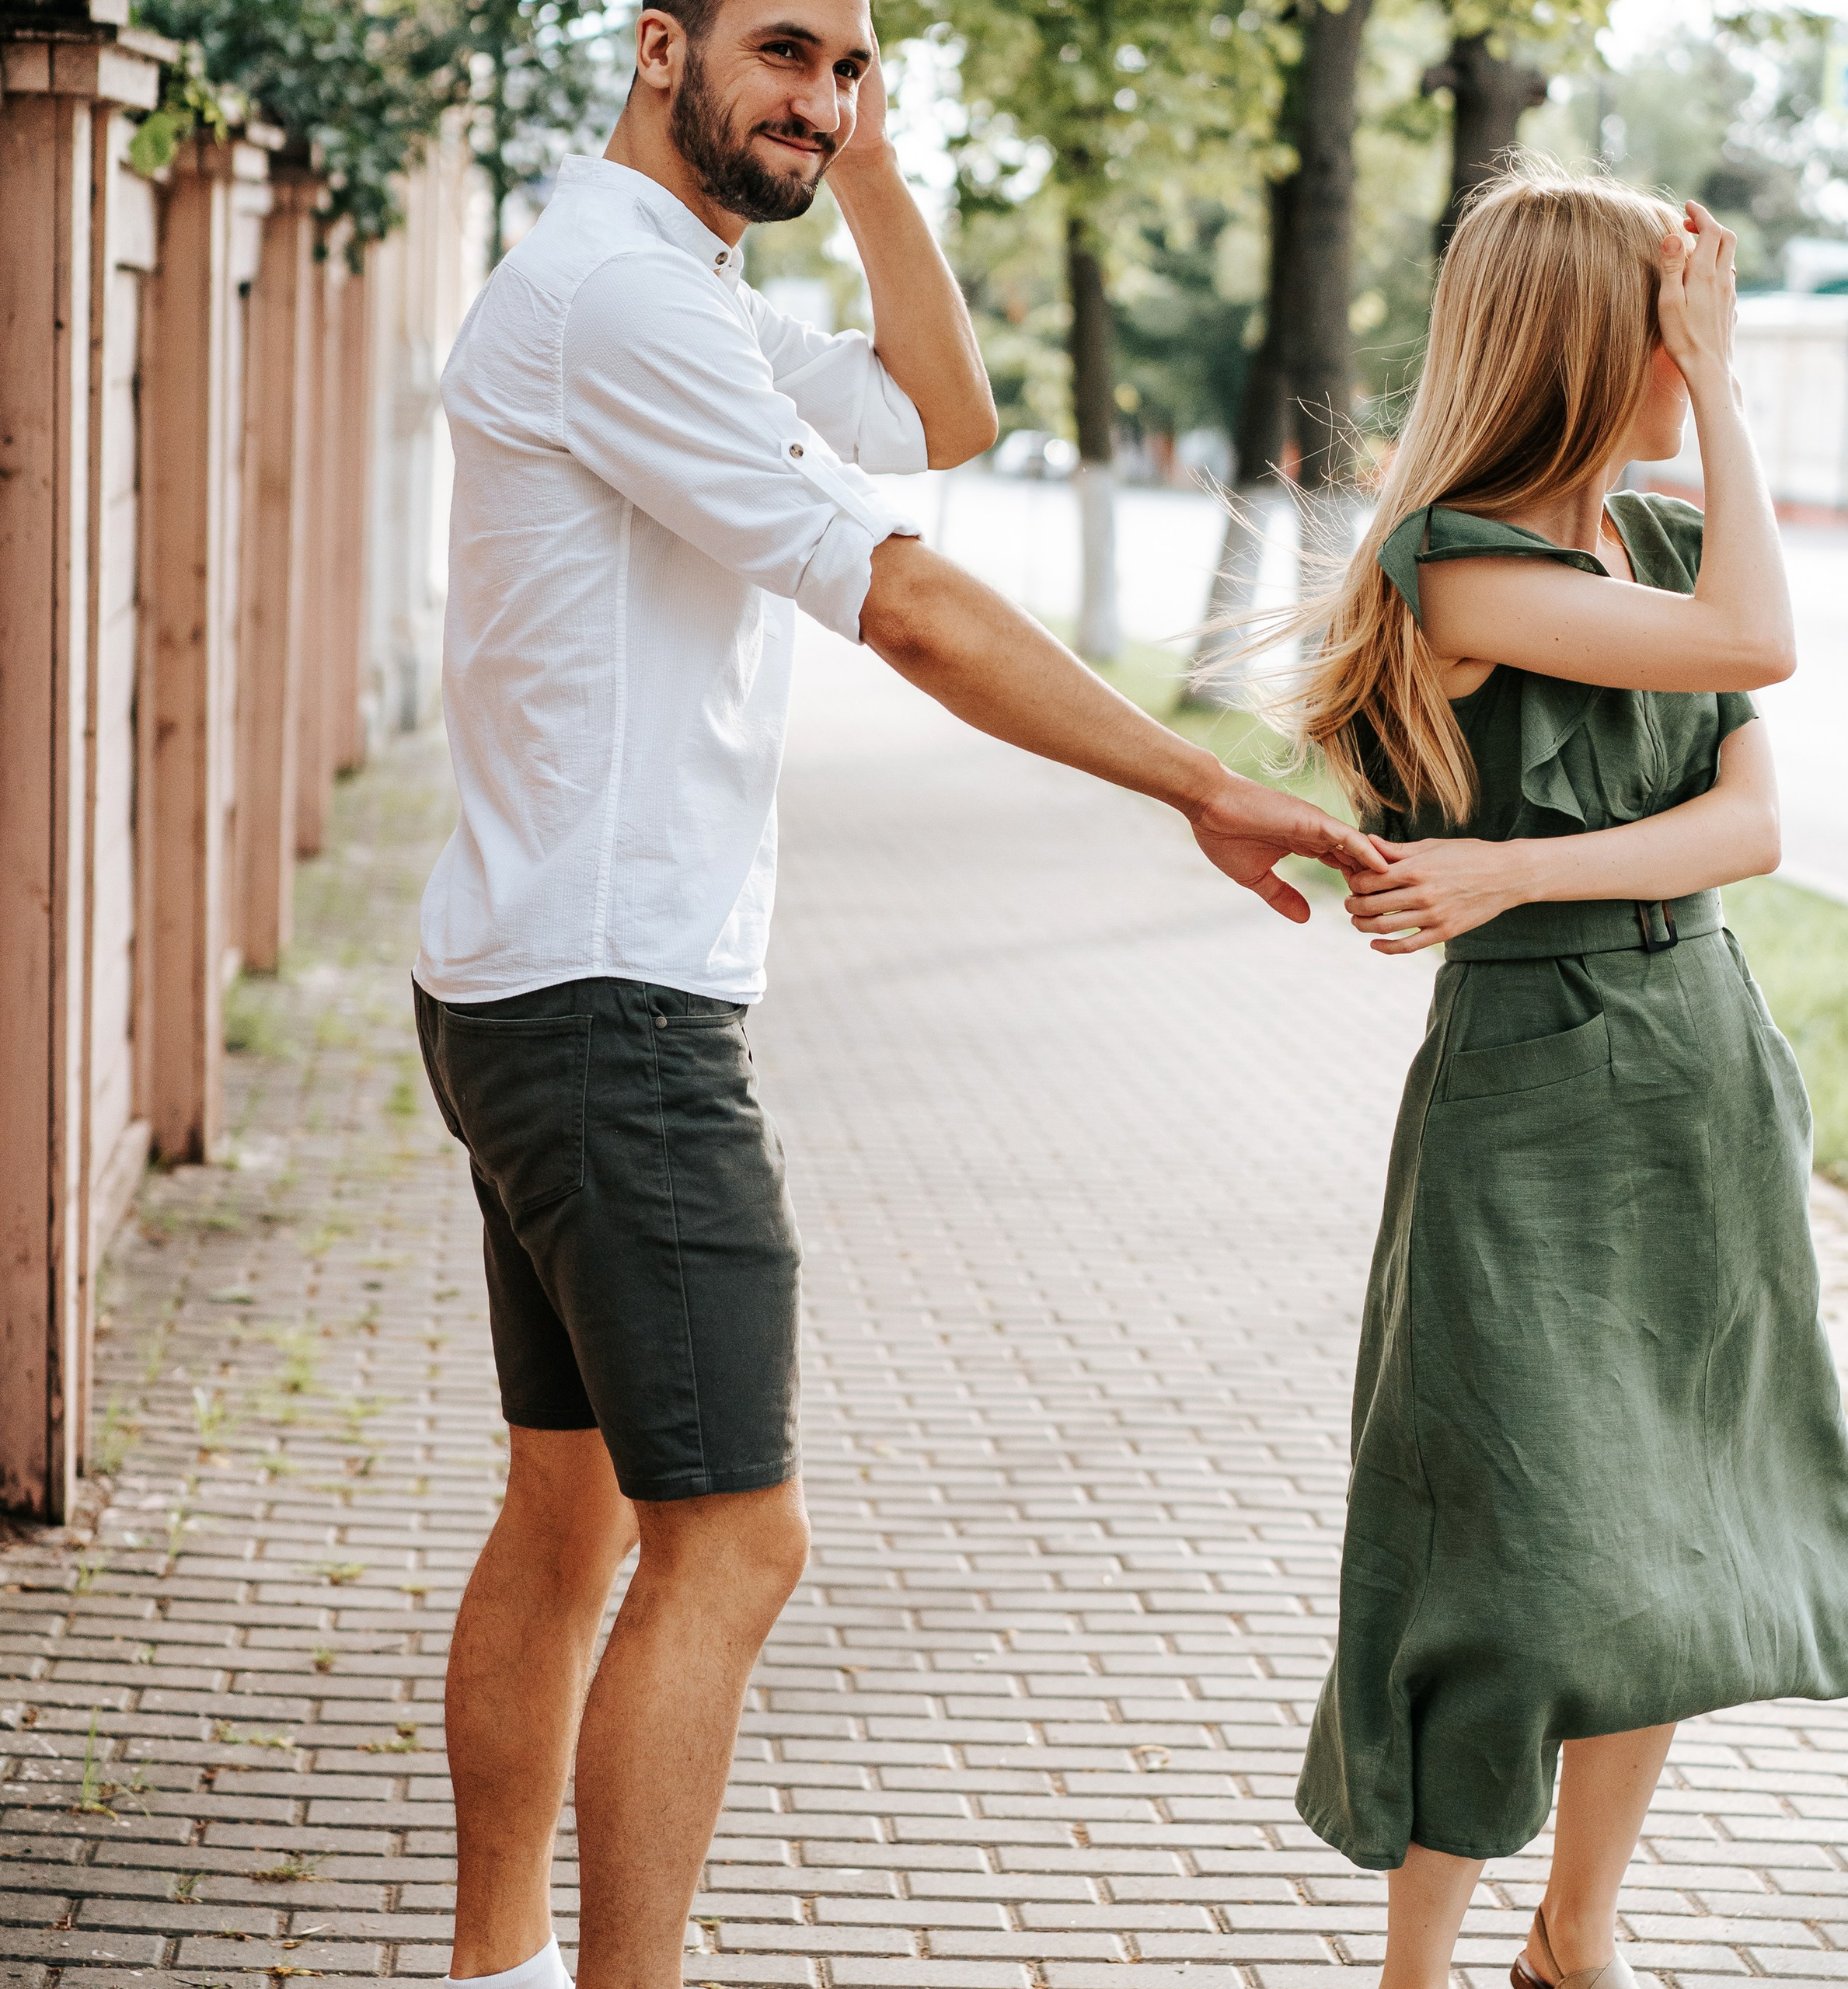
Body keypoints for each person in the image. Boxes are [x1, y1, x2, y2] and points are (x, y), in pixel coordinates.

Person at [410, 6, 1382, 1989]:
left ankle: (494, 1965)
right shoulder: (621, 298)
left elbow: (944, 413)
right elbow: (916, 595)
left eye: (851, 67)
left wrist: (856, 167)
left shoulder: (662, 282)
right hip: (612, 1010)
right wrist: (1198, 774)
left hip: (535, 978)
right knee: (734, 1543)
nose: (822, 94)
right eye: (785, 52)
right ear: (656, 42)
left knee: (573, 1507)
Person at [1265, 168, 1848, 1989]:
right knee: (1514, 1551)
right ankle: (1416, 1962)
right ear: (1584, 334)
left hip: (1702, 1064)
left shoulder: (1668, 545)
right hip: (1532, 1093)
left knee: (1671, 1539)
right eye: (1673, 311)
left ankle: (1576, 1933)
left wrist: (1512, 866)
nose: (1698, 340)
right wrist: (1723, 395)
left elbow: (1751, 824)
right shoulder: (1455, 560)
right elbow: (1751, 659)